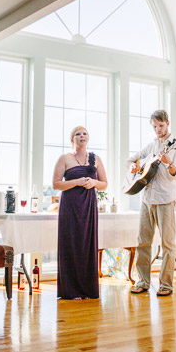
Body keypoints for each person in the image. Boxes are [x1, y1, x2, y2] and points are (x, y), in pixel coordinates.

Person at [127, 110, 176, 297]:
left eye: (160, 126)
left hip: (165, 199)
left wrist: (169, 163)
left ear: (167, 123)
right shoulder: (151, 146)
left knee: (168, 244)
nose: (157, 130)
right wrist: (134, 167)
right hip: (146, 199)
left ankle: (166, 286)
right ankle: (142, 281)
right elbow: (131, 160)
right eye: (154, 127)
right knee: (143, 242)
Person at [52, 126, 108, 300]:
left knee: (87, 244)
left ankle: (87, 290)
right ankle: (70, 291)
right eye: (78, 134)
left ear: (88, 138)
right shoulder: (65, 158)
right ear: (72, 139)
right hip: (70, 206)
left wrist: (93, 182)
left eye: (85, 133)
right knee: (71, 243)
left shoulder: (96, 158)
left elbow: (104, 183)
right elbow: (55, 184)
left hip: (89, 205)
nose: (82, 136)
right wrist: (76, 181)